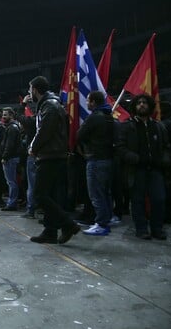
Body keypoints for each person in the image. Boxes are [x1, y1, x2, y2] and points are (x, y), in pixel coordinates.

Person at [27, 76, 80, 244]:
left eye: (30, 90)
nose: (29, 93)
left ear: (35, 90)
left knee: (40, 194)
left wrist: (33, 148)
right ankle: (50, 231)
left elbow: (45, 131)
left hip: (51, 155)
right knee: (51, 195)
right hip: (56, 154)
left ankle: (68, 224)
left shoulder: (49, 105)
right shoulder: (50, 104)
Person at [117, 93, 171, 240]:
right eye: (139, 103)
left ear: (150, 106)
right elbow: (120, 148)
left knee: (159, 199)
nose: (142, 105)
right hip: (136, 170)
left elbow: (166, 146)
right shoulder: (127, 126)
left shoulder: (158, 126)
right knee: (138, 200)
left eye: (145, 102)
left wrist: (164, 160)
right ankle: (141, 229)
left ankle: (157, 229)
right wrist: (134, 158)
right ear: (134, 106)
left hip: (155, 169)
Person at [76, 91, 116, 236]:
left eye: (87, 100)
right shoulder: (109, 117)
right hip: (108, 159)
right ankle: (108, 218)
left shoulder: (94, 117)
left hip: (95, 158)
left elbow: (79, 135)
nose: (86, 103)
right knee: (105, 192)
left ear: (93, 102)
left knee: (96, 193)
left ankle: (101, 224)